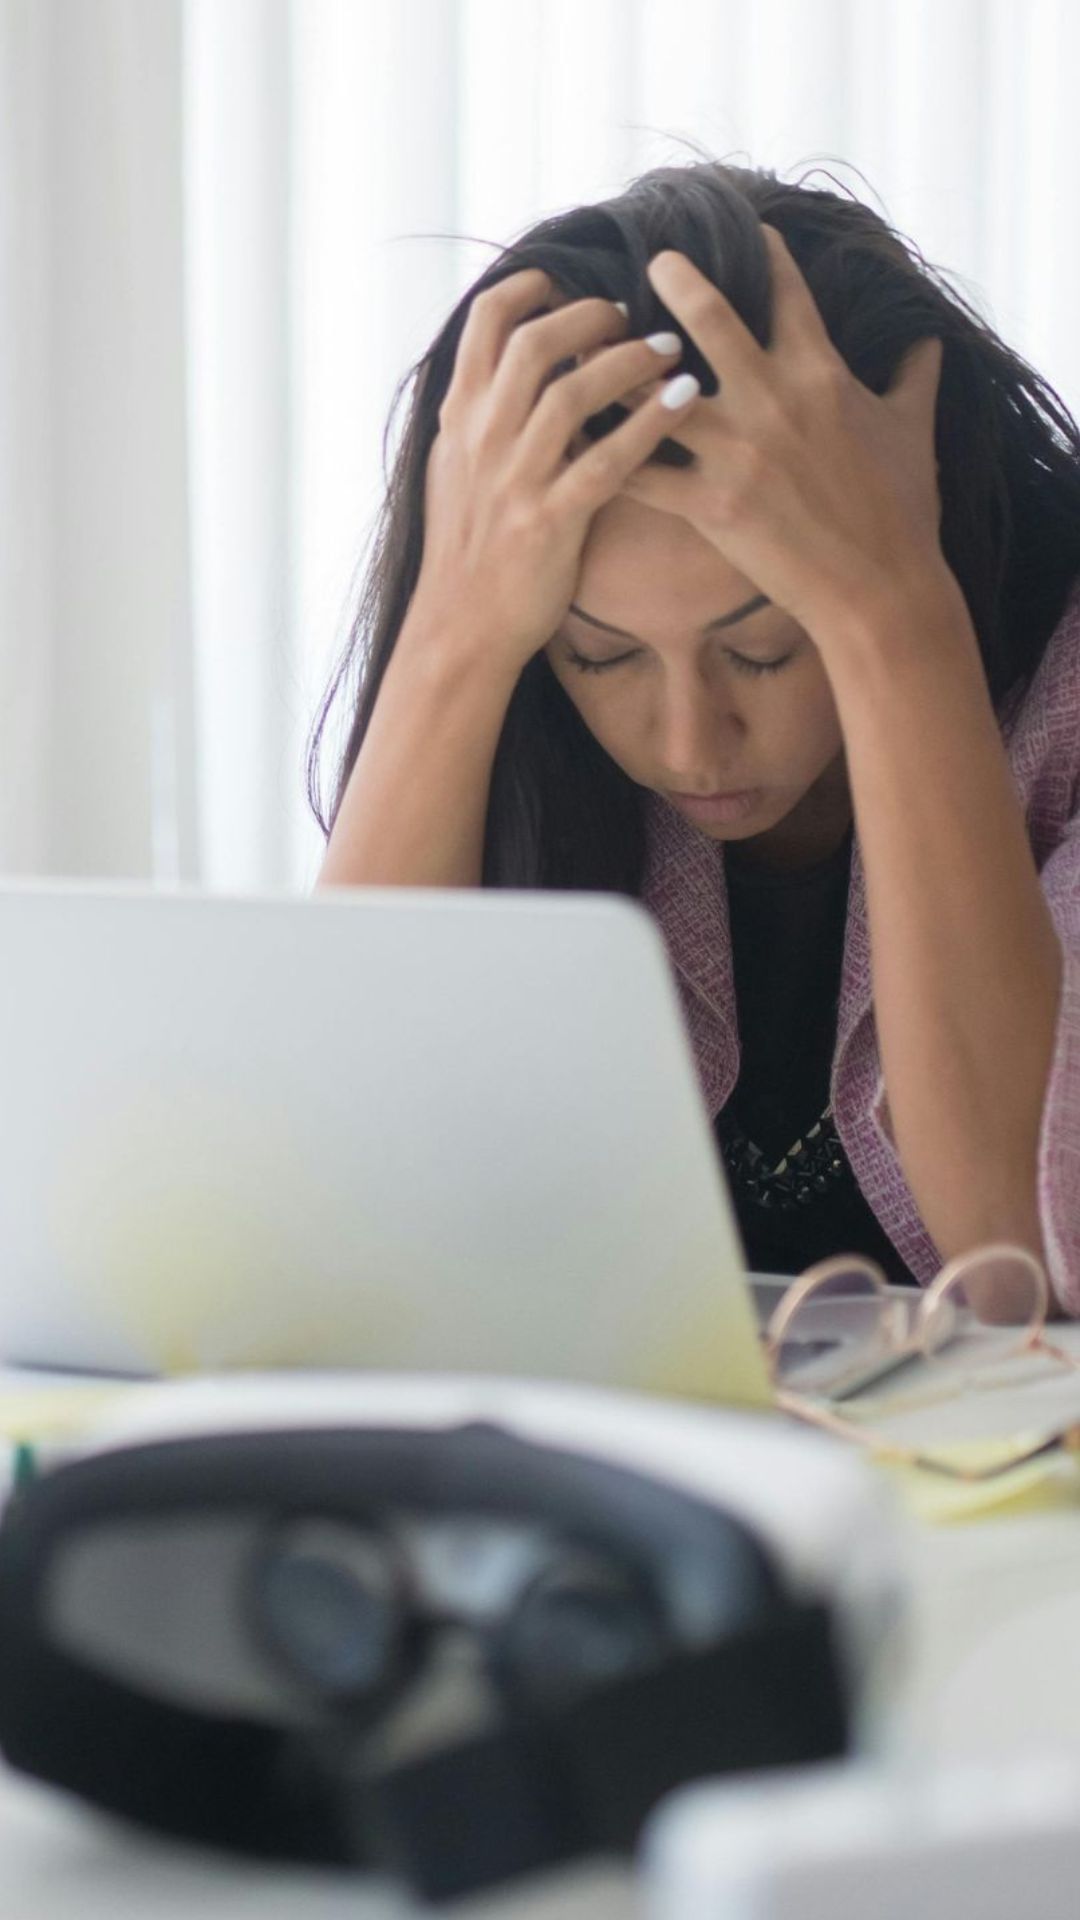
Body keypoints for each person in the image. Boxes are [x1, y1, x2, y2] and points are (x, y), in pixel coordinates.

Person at [308, 156, 1080, 1316]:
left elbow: (1027, 1256)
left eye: (765, 648)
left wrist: (896, 623)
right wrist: (454, 638)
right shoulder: (512, 699)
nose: (689, 743)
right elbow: (332, 1209)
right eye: (602, 655)